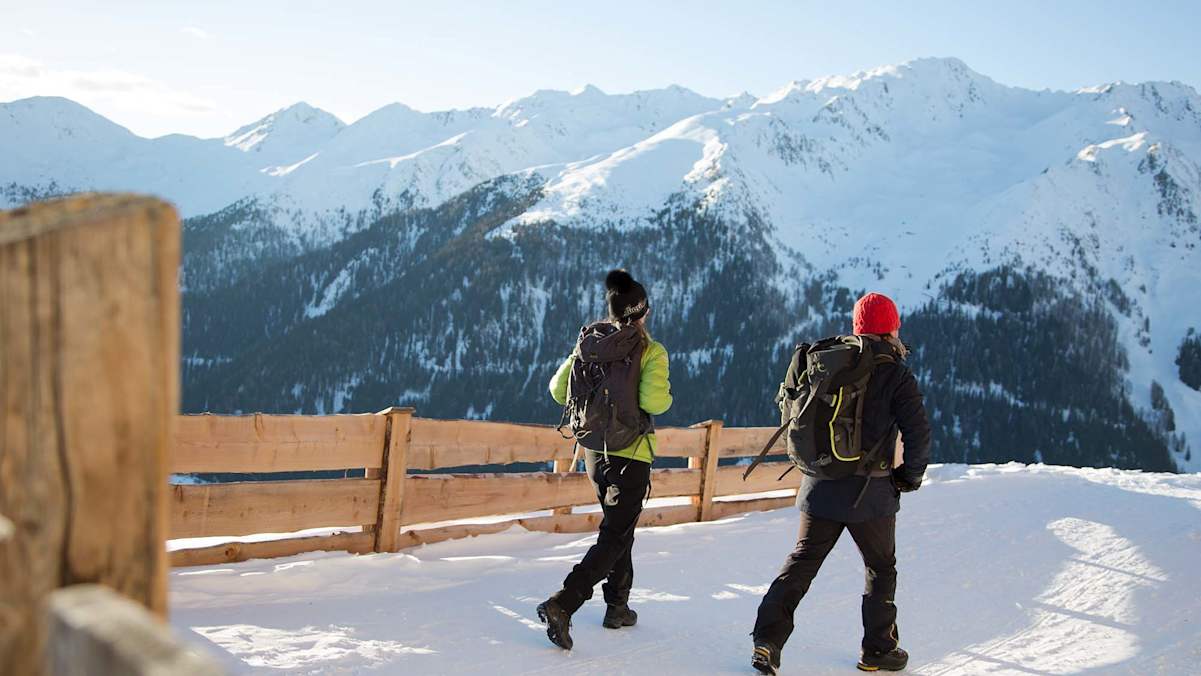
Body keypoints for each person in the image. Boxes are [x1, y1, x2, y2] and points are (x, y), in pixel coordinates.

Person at [751, 292, 931, 674]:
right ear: (891, 328)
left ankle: (767, 640)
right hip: (872, 493)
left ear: (857, 328)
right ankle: (878, 650)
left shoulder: (827, 363)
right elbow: (918, 433)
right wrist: (908, 478)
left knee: (802, 562)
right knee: (880, 568)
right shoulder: (895, 372)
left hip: (820, 485)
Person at [536, 269, 673, 650]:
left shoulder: (590, 343)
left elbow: (557, 389)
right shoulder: (651, 350)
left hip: (595, 453)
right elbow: (655, 402)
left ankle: (618, 606)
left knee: (619, 528)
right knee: (615, 534)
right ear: (643, 311)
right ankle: (565, 602)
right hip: (631, 454)